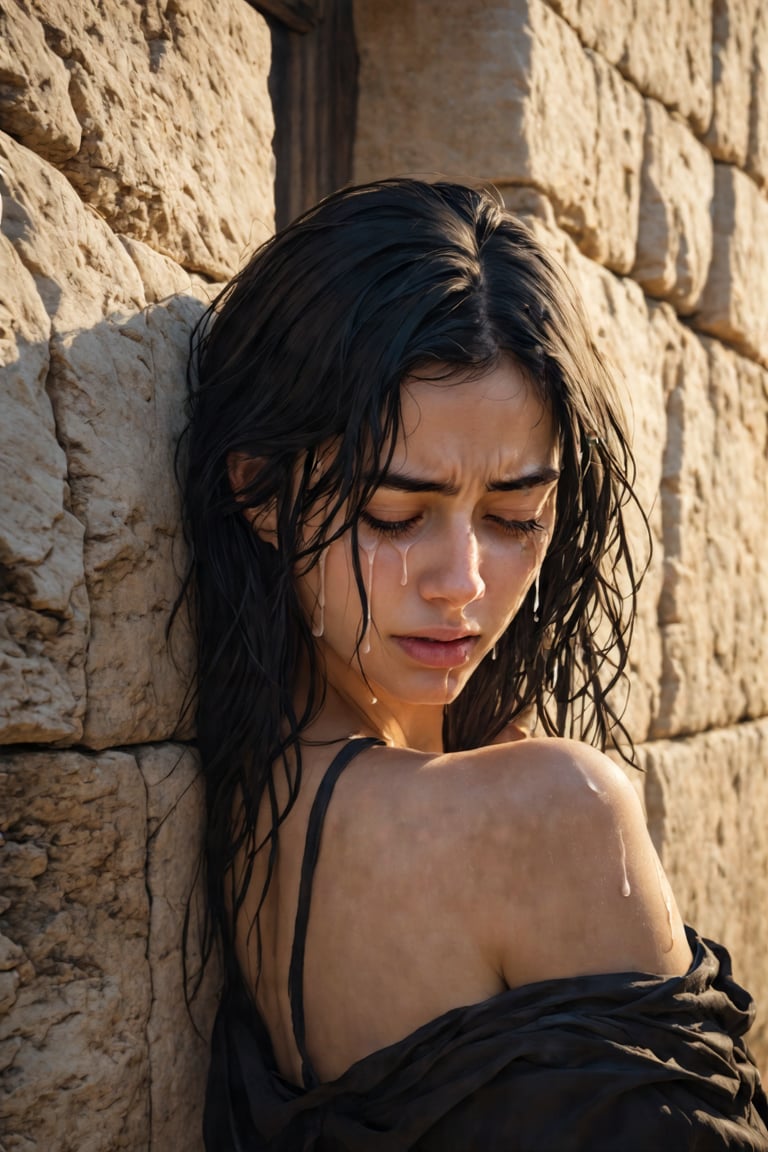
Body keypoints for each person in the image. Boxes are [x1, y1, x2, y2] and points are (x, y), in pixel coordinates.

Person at [183, 178, 768, 1150]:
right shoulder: (545, 810)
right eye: (395, 514)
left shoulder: (254, 788)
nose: (461, 580)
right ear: (257, 489)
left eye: (514, 517)